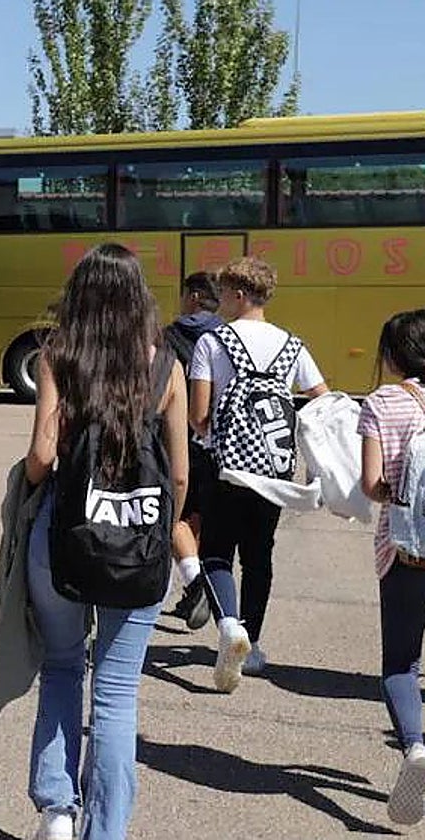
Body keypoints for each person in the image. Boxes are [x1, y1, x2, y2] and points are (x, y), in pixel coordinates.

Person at [23, 243, 188, 840]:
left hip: (64, 537)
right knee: (118, 694)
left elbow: (42, 456)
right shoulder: (166, 366)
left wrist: (33, 478)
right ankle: (106, 830)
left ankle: (58, 810)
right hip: (140, 542)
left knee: (63, 666)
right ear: (138, 298)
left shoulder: (59, 356)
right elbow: (179, 475)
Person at [189, 256, 328, 690]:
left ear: (240, 294)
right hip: (274, 468)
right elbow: (321, 398)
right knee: (259, 555)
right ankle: (255, 644)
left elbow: (199, 415)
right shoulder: (293, 346)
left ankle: (229, 625)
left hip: (225, 465)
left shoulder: (213, 343)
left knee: (215, 553)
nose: (221, 302)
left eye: (225, 293)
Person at [358, 309, 425, 825]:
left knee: (400, 665)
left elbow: (371, 482)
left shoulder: (382, 403)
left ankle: (416, 749)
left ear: (391, 355)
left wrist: (398, 495)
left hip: (406, 552)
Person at [166, 272, 224, 630]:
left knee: (172, 514)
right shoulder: (227, 337)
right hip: (219, 442)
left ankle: (195, 581)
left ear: (195, 296)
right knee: (196, 515)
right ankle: (194, 587)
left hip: (180, 435)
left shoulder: (169, 337)